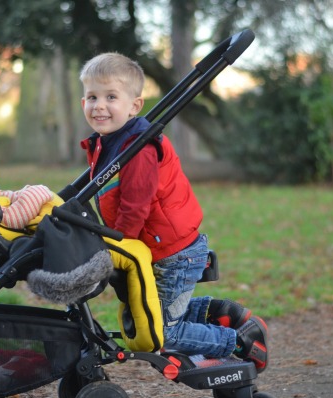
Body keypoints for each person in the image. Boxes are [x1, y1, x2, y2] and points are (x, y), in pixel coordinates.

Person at [78, 52, 269, 371]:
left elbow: (135, 209)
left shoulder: (136, 149)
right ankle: (218, 312)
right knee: (156, 312)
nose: (99, 105)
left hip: (172, 253)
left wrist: (114, 247)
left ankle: (240, 343)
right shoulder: (107, 142)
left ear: (134, 105)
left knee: (160, 330)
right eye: (91, 97)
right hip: (158, 247)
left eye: (111, 97)